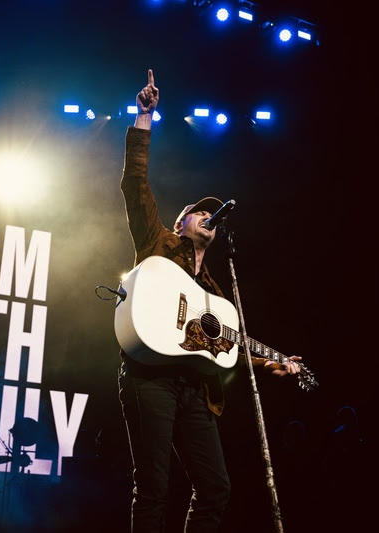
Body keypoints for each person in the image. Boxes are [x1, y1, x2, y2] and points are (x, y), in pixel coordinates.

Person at [117, 69, 303, 532]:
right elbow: (135, 185)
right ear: (180, 223)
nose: (207, 215)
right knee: (153, 486)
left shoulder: (216, 295)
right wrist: (145, 117)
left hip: (195, 390)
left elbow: (227, 345)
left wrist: (271, 362)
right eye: (198, 211)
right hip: (150, 379)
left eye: (211, 213)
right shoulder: (157, 245)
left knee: (216, 488)